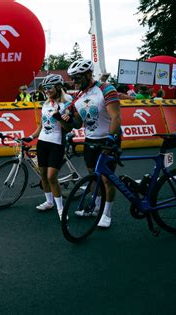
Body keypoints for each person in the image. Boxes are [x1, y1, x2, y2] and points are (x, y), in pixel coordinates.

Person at [63, 59, 121, 228]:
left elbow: (116, 117)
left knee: (106, 179)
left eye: (78, 77)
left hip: (108, 138)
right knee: (93, 176)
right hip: (91, 140)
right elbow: (78, 123)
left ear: (89, 74)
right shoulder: (79, 97)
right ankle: (95, 207)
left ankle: (107, 213)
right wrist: (66, 120)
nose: (75, 81)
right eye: (73, 78)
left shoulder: (106, 89)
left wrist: (111, 139)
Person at [24, 74, 73, 220]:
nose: (47, 90)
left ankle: (60, 208)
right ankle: (49, 202)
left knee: (52, 177)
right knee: (43, 175)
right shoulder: (45, 104)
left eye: (49, 88)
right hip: (43, 143)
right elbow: (42, 125)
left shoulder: (67, 103)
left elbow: (68, 128)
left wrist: (59, 117)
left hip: (57, 143)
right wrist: (31, 137)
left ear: (58, 87)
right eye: (45, 88)